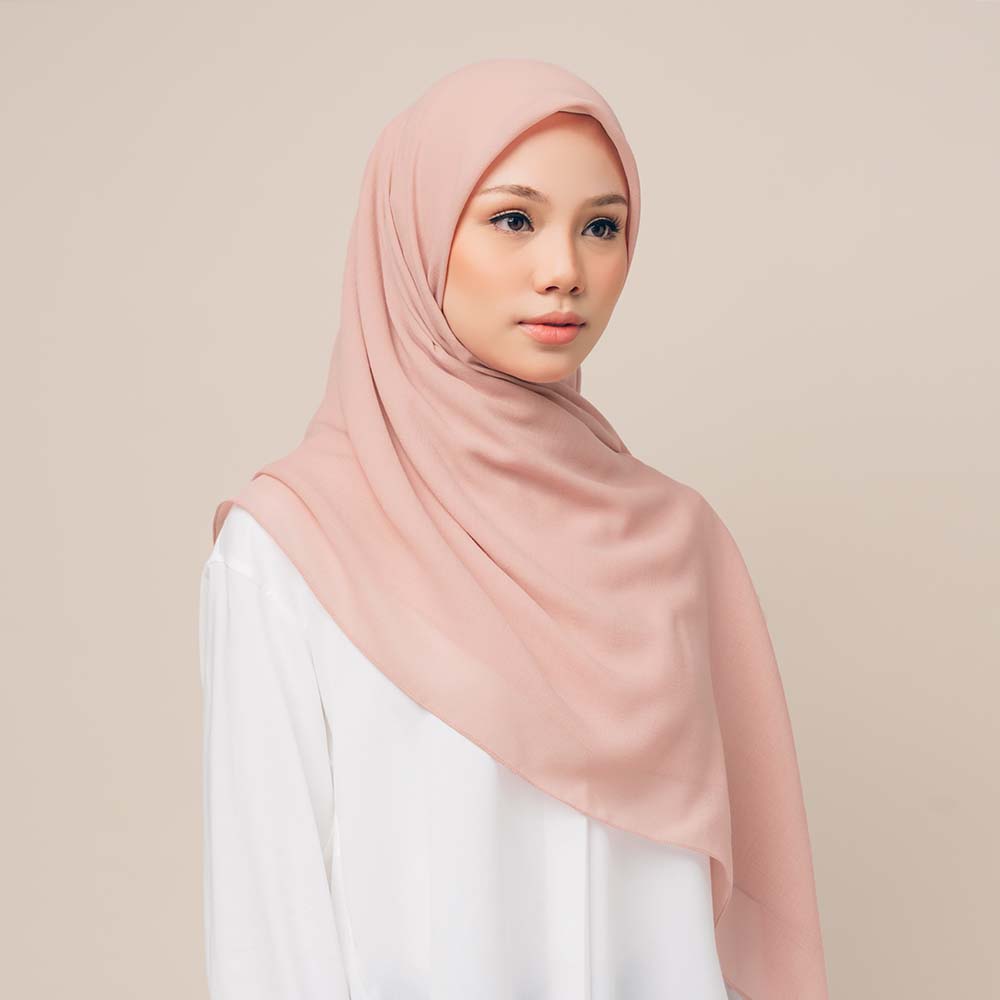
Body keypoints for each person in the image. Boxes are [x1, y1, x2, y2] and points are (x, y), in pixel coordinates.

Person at [199, 58, 829, 1000]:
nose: (564, 270)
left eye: (602, 227)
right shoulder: (289, 548)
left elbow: (729, 923)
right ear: (415, 233)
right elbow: (268, 931)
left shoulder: (678, 543)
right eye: (512, 219)